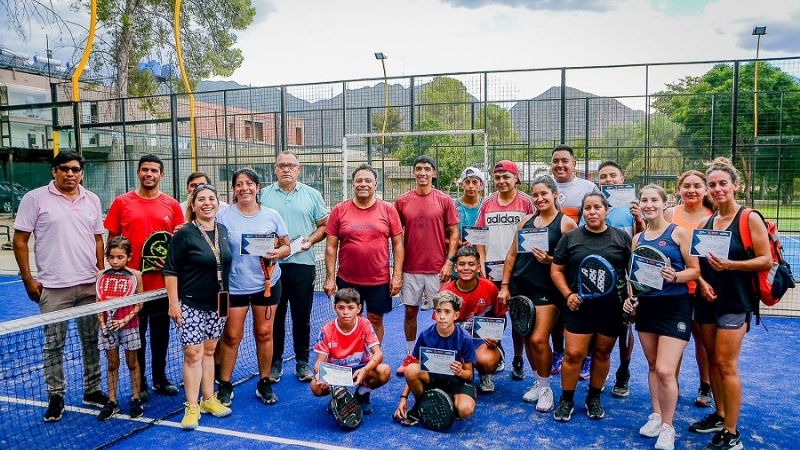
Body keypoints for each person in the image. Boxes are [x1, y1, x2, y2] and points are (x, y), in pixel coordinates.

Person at [12, 151, 109, 422]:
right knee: (54, 344)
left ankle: (92, 390)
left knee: (91, 341)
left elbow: (98, 239)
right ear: (54, 171)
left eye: (75, 169)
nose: (70, 174)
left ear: (82, 173)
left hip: (90, 286)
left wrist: (100, 273)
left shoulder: (92, 199)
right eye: (64, 169)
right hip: (54, 288)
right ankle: (56, 395)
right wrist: (28, 279)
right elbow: (20, 241)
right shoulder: (34, 199)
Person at [688, 158, 771, 450]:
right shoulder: (705, 223)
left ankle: (732, 432)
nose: (717, 188)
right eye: (712, 184)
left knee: (726, 364)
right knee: (712, 360)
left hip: (736, 301)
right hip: (708, 300)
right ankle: (720, 415)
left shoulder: (748, 218)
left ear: (736, 185)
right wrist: (703, 283)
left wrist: (730, 265)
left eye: (723, 183)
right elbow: (697, 266)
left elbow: (766, 259)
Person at [624, 184, 700, 450]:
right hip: (647, 309)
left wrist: (675, 276)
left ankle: (668, 427)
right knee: (654, 367)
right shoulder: (637, 238)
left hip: (675, 308)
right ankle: (656, 416)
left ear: (664, 204)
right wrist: (631, 298)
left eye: (654, 200)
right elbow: (635, 276)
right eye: (644, 200)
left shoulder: (678, 233)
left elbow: (695, 271)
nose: (648, 204)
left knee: (667, 371)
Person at [105, 154, 184, 400]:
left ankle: (160, 379)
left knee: (161, 335)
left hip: (161, 286)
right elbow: (112, 241)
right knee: (134, 338)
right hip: (132, 288)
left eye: (154, 170)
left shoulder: (172, 205)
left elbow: (179, 243)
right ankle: (139, 383)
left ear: (161, 175)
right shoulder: (121, 202)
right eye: (144, 170)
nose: (149, 174)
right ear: (138, 173)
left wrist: (170, 261)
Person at [498, 175, 577, 412]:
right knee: (526, 337)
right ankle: (539, 381)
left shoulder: (566, 224)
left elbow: (573, 260)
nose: (539, 198)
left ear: (555, 194)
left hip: (547, 290)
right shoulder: (525, 222)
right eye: (535, 195)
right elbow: (512, 255)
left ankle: (547, 389)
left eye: (544, 193)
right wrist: (504, 286)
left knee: (538, 339)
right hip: (521, 287)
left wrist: (550, 259)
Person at [550, 192, 631, 422]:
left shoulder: (621, 239)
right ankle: (566, 399)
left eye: (597, 207)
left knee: (602, 353)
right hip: (578, 307)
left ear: (606, 210)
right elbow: (556, 270)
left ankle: (593, 398)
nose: (592, 212)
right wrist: (568, 294)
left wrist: (630, 300)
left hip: (611, 308)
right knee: (574, 354)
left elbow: (630, 273)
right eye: (588, 208)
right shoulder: (571, 238)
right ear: (583, 211)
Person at [216, 168, 291, 406]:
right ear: (234, 189)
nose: (244, 188)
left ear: (258, 188)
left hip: (266, 285)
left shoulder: (272, 215)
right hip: (233, 287)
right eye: (239, 184)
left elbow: (287, 246)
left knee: (264, 333)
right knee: (231, 336)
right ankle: (225, 384)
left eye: (249, 183)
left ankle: (264, 382)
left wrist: (278, 252)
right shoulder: (223, 216)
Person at [164, 183, 233, 430]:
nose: (207, 203)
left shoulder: (223, 230)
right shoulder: (184, 234)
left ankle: (209, 399)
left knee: (210, 351)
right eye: (201, 199)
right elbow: (170, 270)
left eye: (211, 198)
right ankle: (192, 406)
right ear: (192, 206)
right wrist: (174, 303)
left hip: (218, 303)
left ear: (217, 203)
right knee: (193, 353)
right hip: (191, 303)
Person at [261, 151, 329, 383]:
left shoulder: (312, 194)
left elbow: (324, 226)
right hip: (271, 267)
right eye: (281, 166)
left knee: (302, 317)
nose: (286, 169)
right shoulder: (263, 195)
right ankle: (275, 363)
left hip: (302, 265)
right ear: (275, 169)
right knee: (275, 318)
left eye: (291, 166)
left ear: (298, 169)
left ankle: (302, 362)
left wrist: (311, 239)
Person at [324, 163, 404, 342]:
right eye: (358, 180)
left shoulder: (388, 210)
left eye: (368, 180)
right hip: (348, 280)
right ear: (353, 184)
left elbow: (398, 244)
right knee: (348, 320)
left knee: (376, 319)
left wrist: (397, 276)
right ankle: (351, 359)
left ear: (376, 184)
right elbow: (331, 247)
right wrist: (330, 278)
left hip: (379, 280)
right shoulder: (339, 210)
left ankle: (372, 360)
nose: (363, 184)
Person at [395, 155, 459, 376]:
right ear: (414, 173)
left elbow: (454, 232)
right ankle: (411, 354)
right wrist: (397, 270)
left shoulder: (445, 200)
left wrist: (449, 262)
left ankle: (442, 356)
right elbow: (396, 237)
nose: (423, 173)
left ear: (434, 173)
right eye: (419, 169)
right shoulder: (402, 201)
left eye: (427, 169)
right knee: (410, 312)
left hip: (438, 270)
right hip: (410, 269)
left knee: (442, 313)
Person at [475, 160, 535, 381]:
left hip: (520, 270)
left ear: (516, 178)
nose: (501, 181)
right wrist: (481, 259)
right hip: (492, 270)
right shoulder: (487, 203)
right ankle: (496, 354)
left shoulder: (527, 203)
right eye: (497, 177)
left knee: (519, 317)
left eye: (506, 177)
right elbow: (479, 234)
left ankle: (518, 359)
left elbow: (535, 232)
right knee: (493, 317)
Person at [589, 160, 645, 397]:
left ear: (622, 179)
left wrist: (640, 219)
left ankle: (623, 370)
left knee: (624, 327)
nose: (608, 180)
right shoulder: (593, 205)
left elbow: (643, 240)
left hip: (625, 277)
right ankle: (598, 373)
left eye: (613, 176)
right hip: (597, 277)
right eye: (603, 176)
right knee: (596, 330)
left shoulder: (633, 208)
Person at [664, 169, 715, 408]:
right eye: (687, 186)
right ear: (679, 189)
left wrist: (703, 281)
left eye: (697, 186)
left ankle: (705, 386)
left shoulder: (714, 215)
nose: (691, 190)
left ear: (705, 190)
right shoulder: (669, 214)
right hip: (675, 289)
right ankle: (670, 384)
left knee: (702, 341)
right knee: (674, 339)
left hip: (707, 290)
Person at [393, 291, 477, 425]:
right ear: (434, 313)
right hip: (434, 378)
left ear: (456, 315)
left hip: (457, 381)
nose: (442, 316)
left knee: (465, 410)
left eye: (447, 312)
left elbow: (469, 375)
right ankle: (421, 406)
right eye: (438, 311)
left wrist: (460, 372)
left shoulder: (465, 338)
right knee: (410, 370)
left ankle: (445, 401)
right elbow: (413, 368)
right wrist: (404, 398)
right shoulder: (426, 335)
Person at [550, 144, 597, 379]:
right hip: (552, 260)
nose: (560, 165)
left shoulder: (588, 188)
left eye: (564, 160)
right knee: (557, 311)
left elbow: (594, 219)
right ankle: (558, 352)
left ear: (574, 164)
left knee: (581, 310)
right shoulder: (546, 187)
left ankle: (586, 357)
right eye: (556, 160)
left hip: (578, 261)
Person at [311, 288, 391, 416]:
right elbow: (318, 363)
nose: (345, 312)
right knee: (315, 386)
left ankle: (362, 394)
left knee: (384, 371)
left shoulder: (364, 324)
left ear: (358, 308)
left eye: (350, 307)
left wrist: (365, 370)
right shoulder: (326, 330)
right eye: (341, 308)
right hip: (336, 372)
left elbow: (378, 353)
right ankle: (337, 394)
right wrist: (321, 377)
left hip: (360, 369)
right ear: (334, 308)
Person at [440, 246, 507, 393]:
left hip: (480, 341)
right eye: (462, 264)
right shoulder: (446, 291)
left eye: (471, 264)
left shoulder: (490, 288)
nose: (466, 268)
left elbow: (501, 316)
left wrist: (496, 339)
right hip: (456, 340)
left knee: (487, 361)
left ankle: (485, 374)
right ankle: (463, 377)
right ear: (455, 268)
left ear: (478, 267)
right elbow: (440, 324)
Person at [96, 236, 145, 421]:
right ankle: (112, 401)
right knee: (111, 364)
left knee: (133, 363)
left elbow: (139, 304)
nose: (115, 261)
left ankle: (136, 398)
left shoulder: (136, 276)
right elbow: (98, 302)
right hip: (108, 327)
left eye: (120, 257)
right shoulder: (101, 276)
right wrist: (103, 323)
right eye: (111, 257)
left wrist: (123, 320)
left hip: (130, 326)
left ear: (129, 257)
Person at [455, 166, 485, 244]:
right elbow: (444, 234)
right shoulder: (453, 207)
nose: (471, 186)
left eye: (475, 182)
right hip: (460, 251)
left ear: (481, 185)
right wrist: (459, 243)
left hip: (484, 250)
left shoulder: (487, 205)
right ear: (462, 185)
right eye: (467, 182)